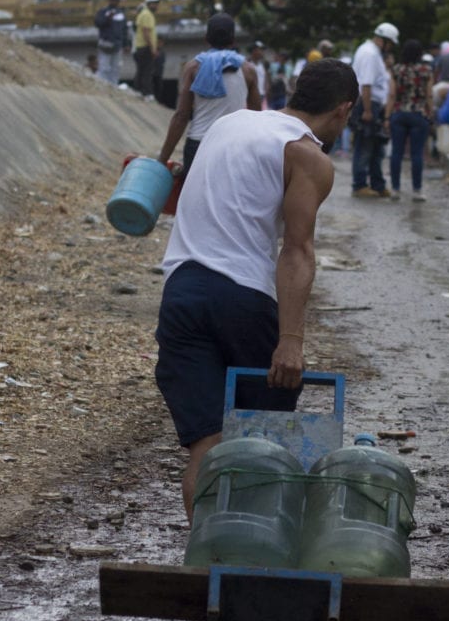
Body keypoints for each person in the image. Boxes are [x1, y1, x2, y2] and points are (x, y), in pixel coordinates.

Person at [154, 58, 359, 520]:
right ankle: (255, 558)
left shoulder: (229, 123)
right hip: (242, 299)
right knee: (263, 446)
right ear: (343, 110)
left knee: (207, 448)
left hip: (181, 292)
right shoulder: (308, 156)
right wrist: (291, 341)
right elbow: (297, 251)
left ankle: (208, 563)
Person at [157, 13, 261, 171]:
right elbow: (256, 118)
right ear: (233, 40)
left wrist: (162, 159)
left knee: (196, 195)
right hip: (234, 146)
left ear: (206, 38)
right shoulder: (248, 70)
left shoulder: (193, 68)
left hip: (199, 145)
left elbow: (181, 116)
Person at [351, 22, 400, 198]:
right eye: (390, 43)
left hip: (373, 104)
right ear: (383, 40)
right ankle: (359, 184)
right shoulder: (370, 54)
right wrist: (367, 109)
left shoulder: (372, 52)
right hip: (369, 104)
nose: (391, 47)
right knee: (364, 146)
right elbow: (366, 83)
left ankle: (377, 184)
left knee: (376, 147)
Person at [385, 39, 433, 202]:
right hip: (418, 114)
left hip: (399, 113)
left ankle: (395, 189)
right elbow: (429, 95)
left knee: (396, 153)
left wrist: (386, 116)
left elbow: (391, 95)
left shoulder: (396, 70)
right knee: (416, 154)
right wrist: (430, 114)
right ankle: (417, 190)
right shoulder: (426, 70)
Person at [94, 0, 132, 86]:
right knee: (104, 67)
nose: (113, 2)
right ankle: (102, 86)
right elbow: (98, 23)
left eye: (115, 0)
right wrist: (108, 19)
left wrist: (126, 44)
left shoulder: (121, 14)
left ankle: (113, 86)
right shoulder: (103, 11)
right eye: (112, 0)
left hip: (117, 45)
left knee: (115, 68)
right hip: (105, 44)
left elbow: (124, 30)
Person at [134, 0, 161, 97]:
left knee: (142, 70)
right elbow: (146, 32)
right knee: (146, 71)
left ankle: (139, 91)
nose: (157, 6)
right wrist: (152, 48)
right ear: (150, 4)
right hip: (145, 47)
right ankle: (146, 93)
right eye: (155, 4)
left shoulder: (144, 13)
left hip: (142, 47)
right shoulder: (147, 14)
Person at [249, 41, 271, 109]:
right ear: (254, 51)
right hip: (251, 97)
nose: (262, 52)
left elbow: (266, 79)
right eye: (260, 50)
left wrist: (266, 90)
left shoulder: (264, 65)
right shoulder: (247, 64)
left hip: (262, 96)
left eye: (262, 50)